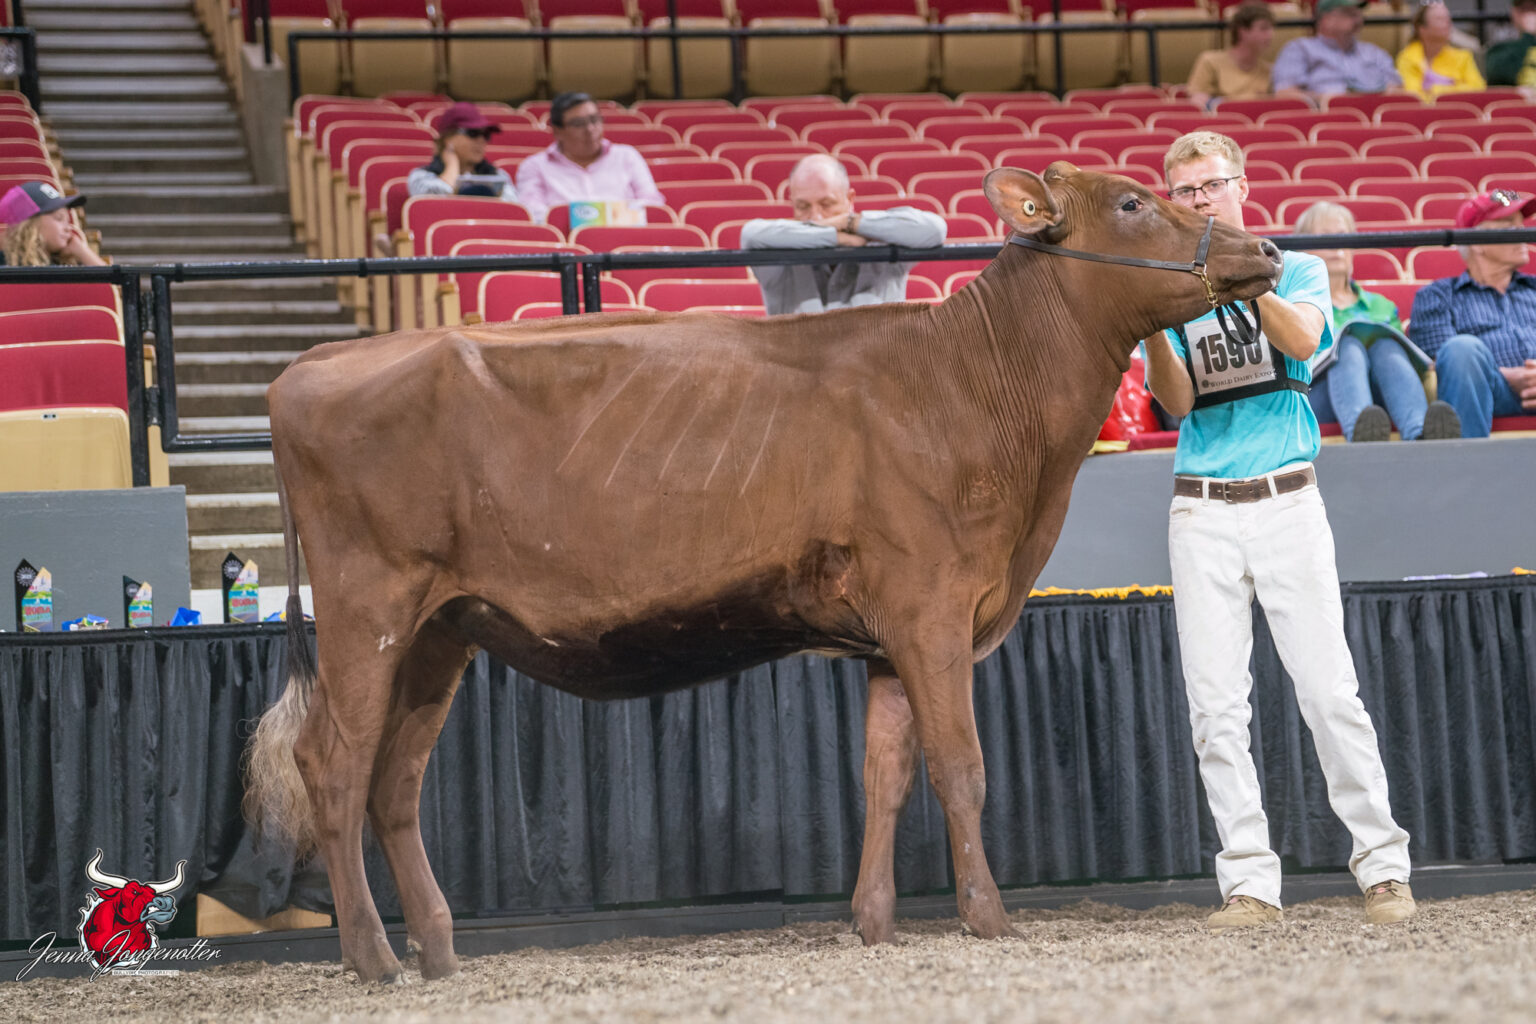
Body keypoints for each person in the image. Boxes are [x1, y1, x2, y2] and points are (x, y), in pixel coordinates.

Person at [1141, 131, 1414, 932]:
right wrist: (1152, 323)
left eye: (1212, 185)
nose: (1201, 200)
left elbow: (1303, 341)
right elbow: (1177, 402)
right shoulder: (1173, 285)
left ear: (1242, 186)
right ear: (1172, 200)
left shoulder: (1294, 268)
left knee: (1330, 694)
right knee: (1215, 709)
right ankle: (1250, 883)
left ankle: (1383, 868)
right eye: (1186, 191)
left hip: (1288, 497)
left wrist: (1241, 277)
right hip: (1200, 504)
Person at [1294, 200, 1460, 441]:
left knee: (1386, 346)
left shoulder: (1382, 305)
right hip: (1316, 396)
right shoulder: (1296, 305)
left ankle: (1419, 434)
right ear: (1303, 250)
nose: (1337, 245)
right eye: (1325, 237)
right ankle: (1361, 434)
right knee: (1347, 347)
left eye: (1343, 236)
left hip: (1384, 398)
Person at [739, 154, 946, 316]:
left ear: (850, 199)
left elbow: (934, 230)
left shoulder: (883, 240)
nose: (816, 217)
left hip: (876, 360)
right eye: (803, 206)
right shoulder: (778, 249)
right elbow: (750, 235)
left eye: (827, 204)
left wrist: (850, 222)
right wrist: (836, 236)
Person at [1407, 189, 1536, 437]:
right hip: (1491, 392)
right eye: (1510, 226)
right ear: (1477, 242)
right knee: (1462, 348)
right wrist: (1512, 377)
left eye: (1522, 226)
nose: (1523, 234)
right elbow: (1440, 363)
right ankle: (1465, 459)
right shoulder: (1438, 295)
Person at [514, 91, 664, 225]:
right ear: (558, 131)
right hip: (566, 243)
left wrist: (604, 219)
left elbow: (653, 204)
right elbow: (534, 215)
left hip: (626, 239)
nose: (590, 129)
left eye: (594, 120)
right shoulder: (534, 166)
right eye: (578, 124)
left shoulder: (627, 156)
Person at [1272, 0, 1401, 98]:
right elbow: (1285, 93)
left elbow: (1398, 89)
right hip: (1323, 118)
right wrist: (1330, 100)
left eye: (1358, 13)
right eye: (1349, 13)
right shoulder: (1300, 49)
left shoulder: (1374, 52)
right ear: (1326, 19)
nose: (1357, 18)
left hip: (1374, 117)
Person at [407, 102, 518, 202]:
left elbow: (512, 207)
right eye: (473, 133)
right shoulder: (421, 175)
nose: (481, 140)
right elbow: (433, 203)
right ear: (448, 138)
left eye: (486, 135)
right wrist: (452, 165)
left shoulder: (498, 176)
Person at [1187, 2, 1276, 109]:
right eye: (1264, 28)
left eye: (1271, 28)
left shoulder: (1270, 71)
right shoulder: (1210, 61)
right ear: (1242, 31)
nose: (1271, 35)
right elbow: (1197, 101)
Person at [0, 181, 105, 266]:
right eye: (59, 219)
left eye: (68, 221)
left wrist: (81, 251)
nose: (68, 228)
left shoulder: (62, 263)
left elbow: (110, 282)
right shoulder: (6, 265)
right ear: (30, 226)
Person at [1396, 1, 1485, 98]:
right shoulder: (1407, 58)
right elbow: (1412, 95)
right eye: (1439, 19)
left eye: (1448, 19)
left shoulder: (1463, 57)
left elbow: (1479, 88)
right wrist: (1454, 86)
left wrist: (1436, 89)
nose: (1447, 24)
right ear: (1422, 29)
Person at [1484, 0, 1536, 86]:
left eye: (1533, 9)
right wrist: (1528, 35)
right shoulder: (1501, 49)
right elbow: (1498, 75)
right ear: (1514, 13)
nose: (1529, 16)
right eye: (1524, 9)